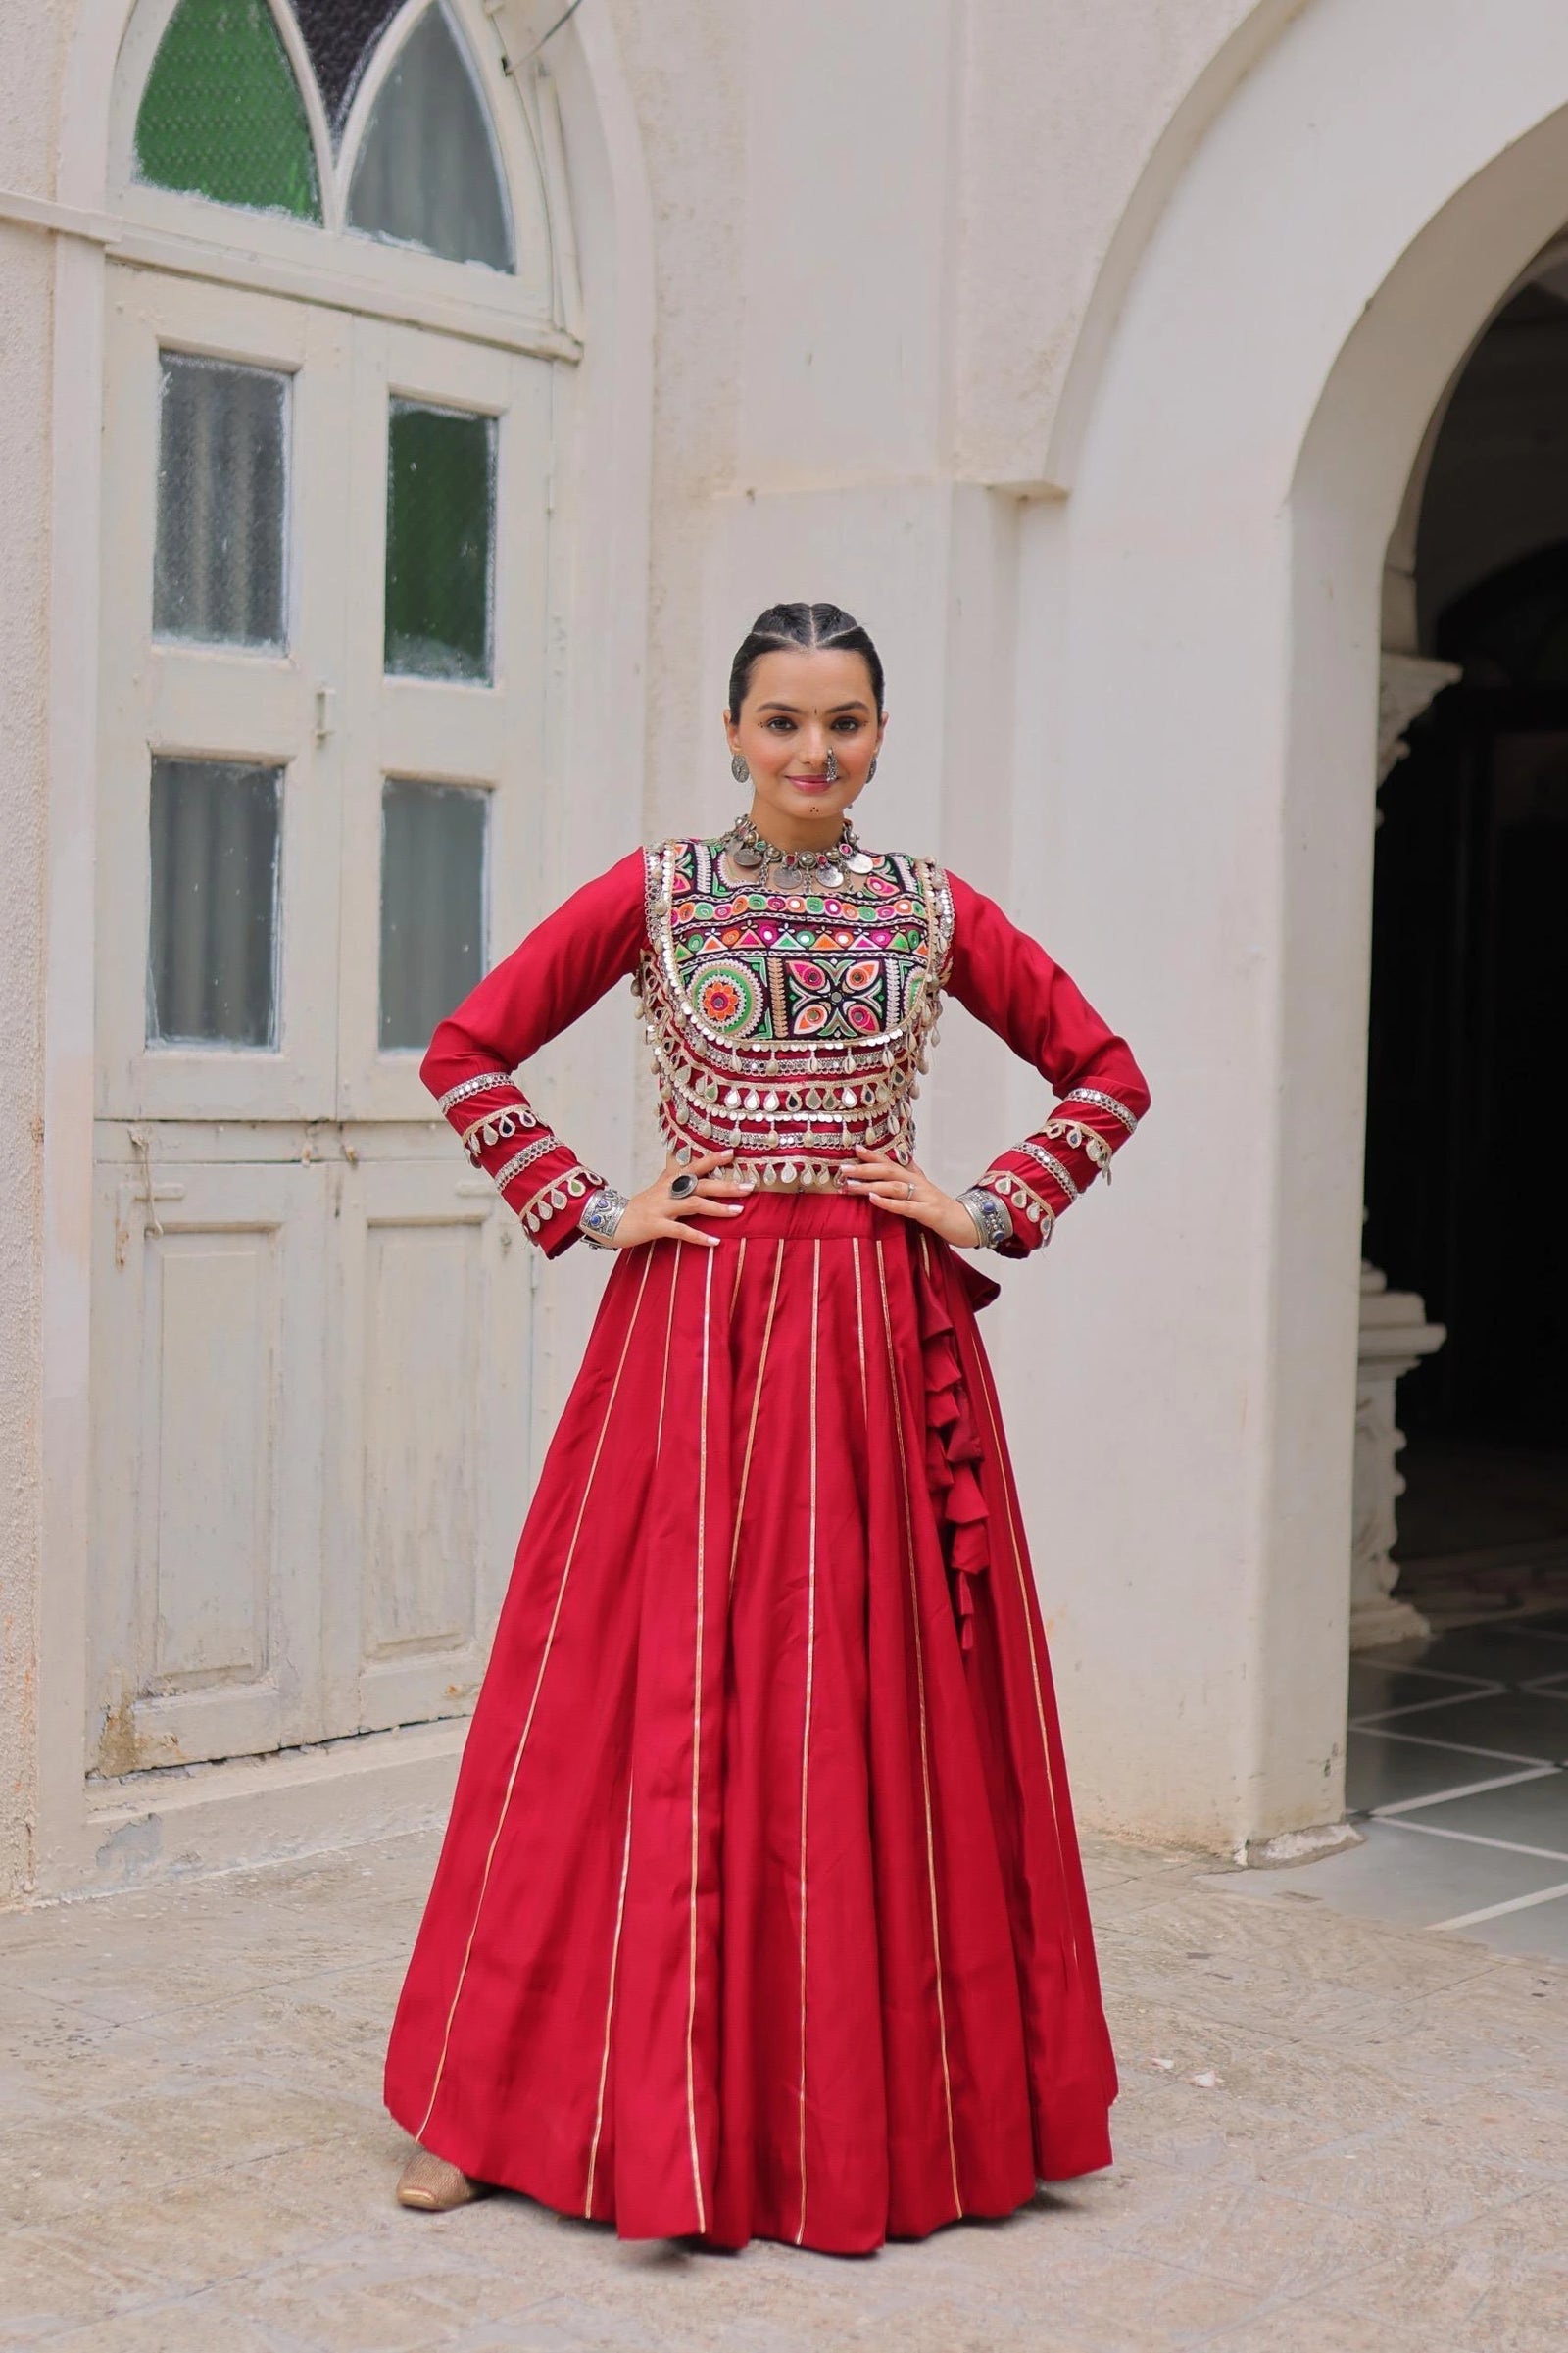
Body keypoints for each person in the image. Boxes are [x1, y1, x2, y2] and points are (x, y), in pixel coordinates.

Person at [384, 601, 1150, 2254]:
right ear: (731, 729)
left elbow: (1104, 1073)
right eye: (785, 721)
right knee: (610, 1702)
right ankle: (494, 2102)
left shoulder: (929, 906)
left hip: (880, 1338)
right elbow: (468, 1051)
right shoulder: (658, 892)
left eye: (848, 722)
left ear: (883, 734)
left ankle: (884, 2126)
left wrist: (985, 1208)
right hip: (694, 1332)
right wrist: (593, 1205)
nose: (816, 754)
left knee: (875, 1712)